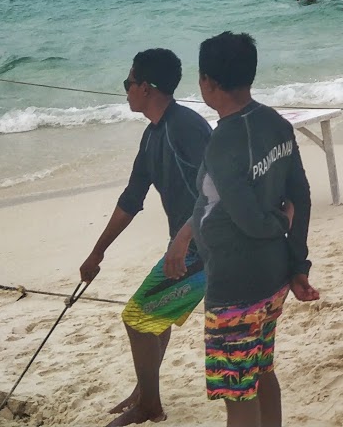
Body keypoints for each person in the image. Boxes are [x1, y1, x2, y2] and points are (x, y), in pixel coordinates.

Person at [167, 32, 319, 425]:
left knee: (237, 393)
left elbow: (252, 220)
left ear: (207, 83)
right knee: (261, 370)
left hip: (236, 287)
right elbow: (299, 195)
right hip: (272, 280)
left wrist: (278, 223)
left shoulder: (223, 143)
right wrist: (298, 264)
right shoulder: (277, 124)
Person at [81, 49, 212, 427]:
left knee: (138, 318)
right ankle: (145, 390)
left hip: (209, 248)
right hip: (188, 245)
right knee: (156, 315)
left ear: (146, 88)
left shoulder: (185, 126)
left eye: (128, 83)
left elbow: (218, 187)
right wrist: (97, 253)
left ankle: (150, 406)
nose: (125, 92)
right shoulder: (154, 134)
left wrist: (186, 238)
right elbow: (131, 199)